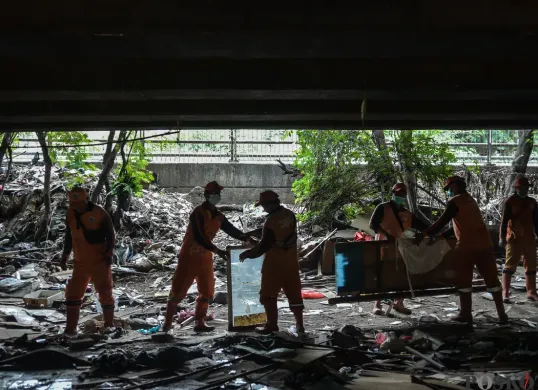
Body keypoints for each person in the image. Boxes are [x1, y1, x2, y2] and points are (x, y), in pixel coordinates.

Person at [162, 181, 251, 333]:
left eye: (218, 194)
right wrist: (218, 251)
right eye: (214, 194)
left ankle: (200, 322)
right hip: (189, 255)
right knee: (179, 290)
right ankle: (167, 325)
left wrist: (248, 238)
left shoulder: (218, 215)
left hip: (205, 256)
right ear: (206, 195)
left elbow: (231, 230)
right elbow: (199, 236)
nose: (217, 196)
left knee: (207, 290)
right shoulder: (198, 213)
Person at [420, 176, 508, 323]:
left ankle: (465, 314)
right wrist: (442, 235)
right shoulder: (470, 200)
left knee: (464, 281)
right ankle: (502, 315)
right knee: (492, 280)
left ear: (454, 186)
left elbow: (443, 220)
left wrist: (425, 234)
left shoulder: (454, 202)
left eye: (448, 189)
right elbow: (462, 224)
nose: (448, 192)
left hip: (467, 246)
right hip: (485, 245)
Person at [239, 190, 304, 334]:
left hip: (274, 265)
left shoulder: (270, 221)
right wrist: (252, 234)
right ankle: (300, 325)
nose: (263, 208)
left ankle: (271, 325)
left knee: (268, 295)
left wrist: (248, 253)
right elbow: (278, 234)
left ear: (269, 204)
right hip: (291, 263)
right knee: (294, 294)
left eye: (263, 205)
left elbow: (264, 245)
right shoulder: (289, 215)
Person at [61, 187, 116, 335]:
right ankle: (71, 328)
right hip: (80, 261)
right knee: (73, 294)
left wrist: (109, 254)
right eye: (74, 204)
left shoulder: (98, 212)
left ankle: (109, 325)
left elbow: (111, 233)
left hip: (99, 260)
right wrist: (65, 254)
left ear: (85, 200)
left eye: (79, 204)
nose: (76, 207)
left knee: (105, 292)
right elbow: (69, 234)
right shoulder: (70, 213)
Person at [369, 183, 428, 315]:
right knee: (382, 274)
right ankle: (377, 304)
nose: (400, 196)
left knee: (402, 275)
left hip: (399, 246)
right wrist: (387, 234)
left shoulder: (407, 214)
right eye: (398, 194)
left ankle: (399, 303)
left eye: (402, 194)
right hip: (382, 244)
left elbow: (424, 227)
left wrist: (422, 234)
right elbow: (373, 224)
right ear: (393, 194)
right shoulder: (383, 207)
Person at [499, 176, 538, 303]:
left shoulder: (532, 202)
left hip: (529, 238)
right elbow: (504, 221)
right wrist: (501, 237)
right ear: (517, 188)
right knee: (509, 265)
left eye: (526, 187)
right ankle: (505, 291)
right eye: (522, 187)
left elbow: (536, 222)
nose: (525, 189)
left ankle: (531, 291)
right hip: (514, 238)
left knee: (531, 265)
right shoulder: (510, 201)